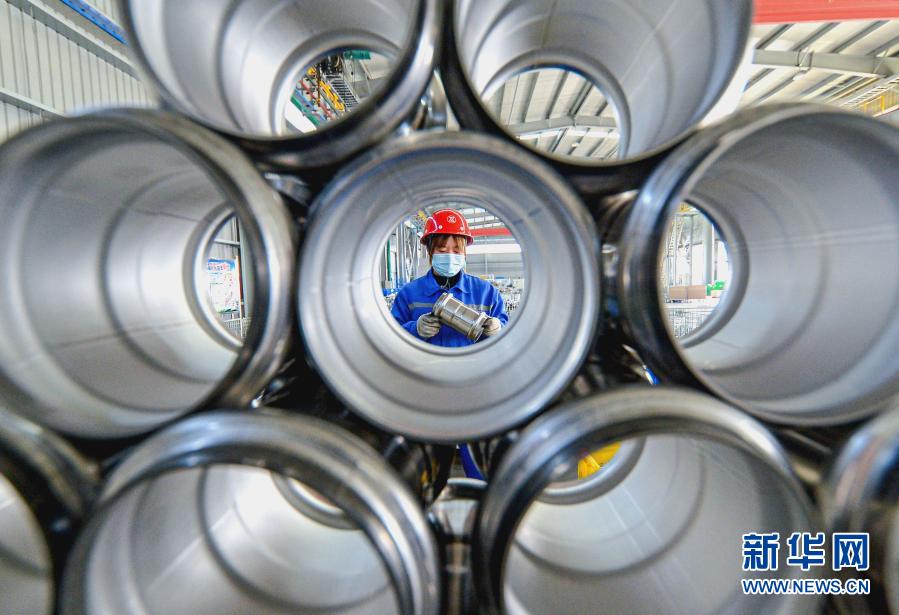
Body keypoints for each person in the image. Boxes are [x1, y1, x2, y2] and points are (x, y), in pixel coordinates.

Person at [391, 209, 508, 347]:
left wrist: (498, 328)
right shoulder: (409, 293)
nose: (450, 256)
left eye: (457, 251)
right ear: (429, 251)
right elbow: (391, 335)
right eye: (442, 251)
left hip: (472, 361)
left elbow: (507, 333)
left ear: (464, 253)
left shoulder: (486, 292)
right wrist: (415, 329)